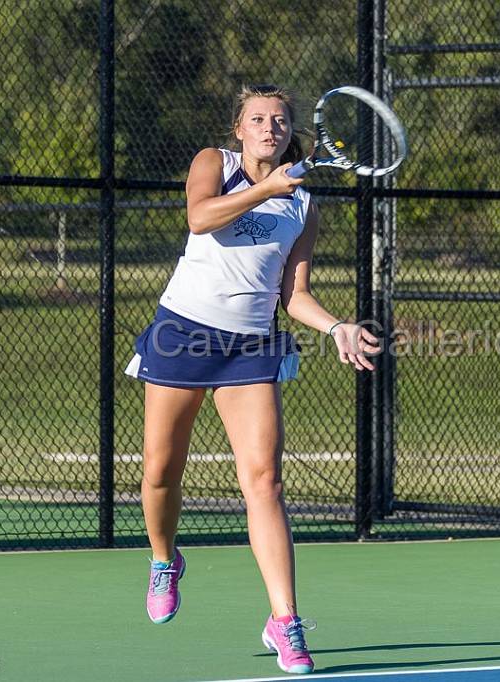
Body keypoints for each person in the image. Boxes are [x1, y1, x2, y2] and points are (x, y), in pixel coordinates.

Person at [123, 84, 380, 675]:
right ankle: (165, 558)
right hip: (183, 333)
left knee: (264, 481)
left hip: (251, 345)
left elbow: (294, 293)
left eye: (280, 121)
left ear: (293, 134)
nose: (270, 128)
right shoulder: (214, 164)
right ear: (239, 129)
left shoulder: (303, 206)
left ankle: (285, 621)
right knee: (160, 471)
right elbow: (199, 217)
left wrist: (335, 326)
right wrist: (264, 188)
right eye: (258, 119)